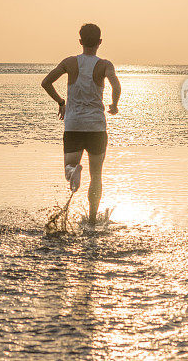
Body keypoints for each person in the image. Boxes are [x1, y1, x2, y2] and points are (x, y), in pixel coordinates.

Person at [41, 23, 121, 226]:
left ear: (80, 41)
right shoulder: (105, 65)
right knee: (96, 176)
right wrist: (114, 104)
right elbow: (115, 84)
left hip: (74, 124)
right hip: (96, 127)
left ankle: (73, 172)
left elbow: (46, 82)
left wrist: (61, 102)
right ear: (100, 42)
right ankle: (93, 219)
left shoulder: (69, 62)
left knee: (69, 167)